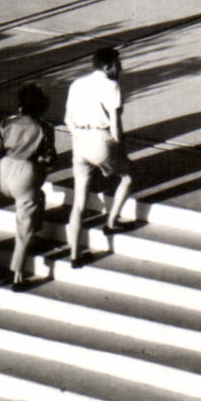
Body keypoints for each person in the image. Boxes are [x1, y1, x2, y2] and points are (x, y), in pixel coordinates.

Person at [64, 47, 137, 267]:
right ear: (107, 67)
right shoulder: (111, 85)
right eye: (118, 64)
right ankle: (111, 221)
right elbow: (115, 123)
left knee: (79, 202)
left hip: (80, 141)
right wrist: (118, 146)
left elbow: (67, 119)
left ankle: (75, 254)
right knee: (128, 175)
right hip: (101, 138)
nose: (120, 68)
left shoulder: (77, 83)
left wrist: (80, 137)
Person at [0, 84, 55, 290]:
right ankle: (17, 273)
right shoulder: (44, 128)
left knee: (39, 197)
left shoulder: (6, 124)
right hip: (26, 175)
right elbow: (49, 159)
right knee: (24, 225)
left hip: (5, 172)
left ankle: (34, 229)